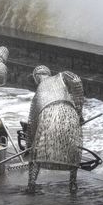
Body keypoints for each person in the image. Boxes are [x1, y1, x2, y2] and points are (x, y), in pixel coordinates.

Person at [25, 65, 85, 193]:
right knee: (73, 149)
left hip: (48, 116)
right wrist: (79, 111)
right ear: (48, 73)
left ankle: (31, 184)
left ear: (36, 78)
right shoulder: (62, 76)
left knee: (36, 155)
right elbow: (76, 81)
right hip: (70, 113)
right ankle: (73, 183)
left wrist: (29, 146)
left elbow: (31, 125)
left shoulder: (37, 96)